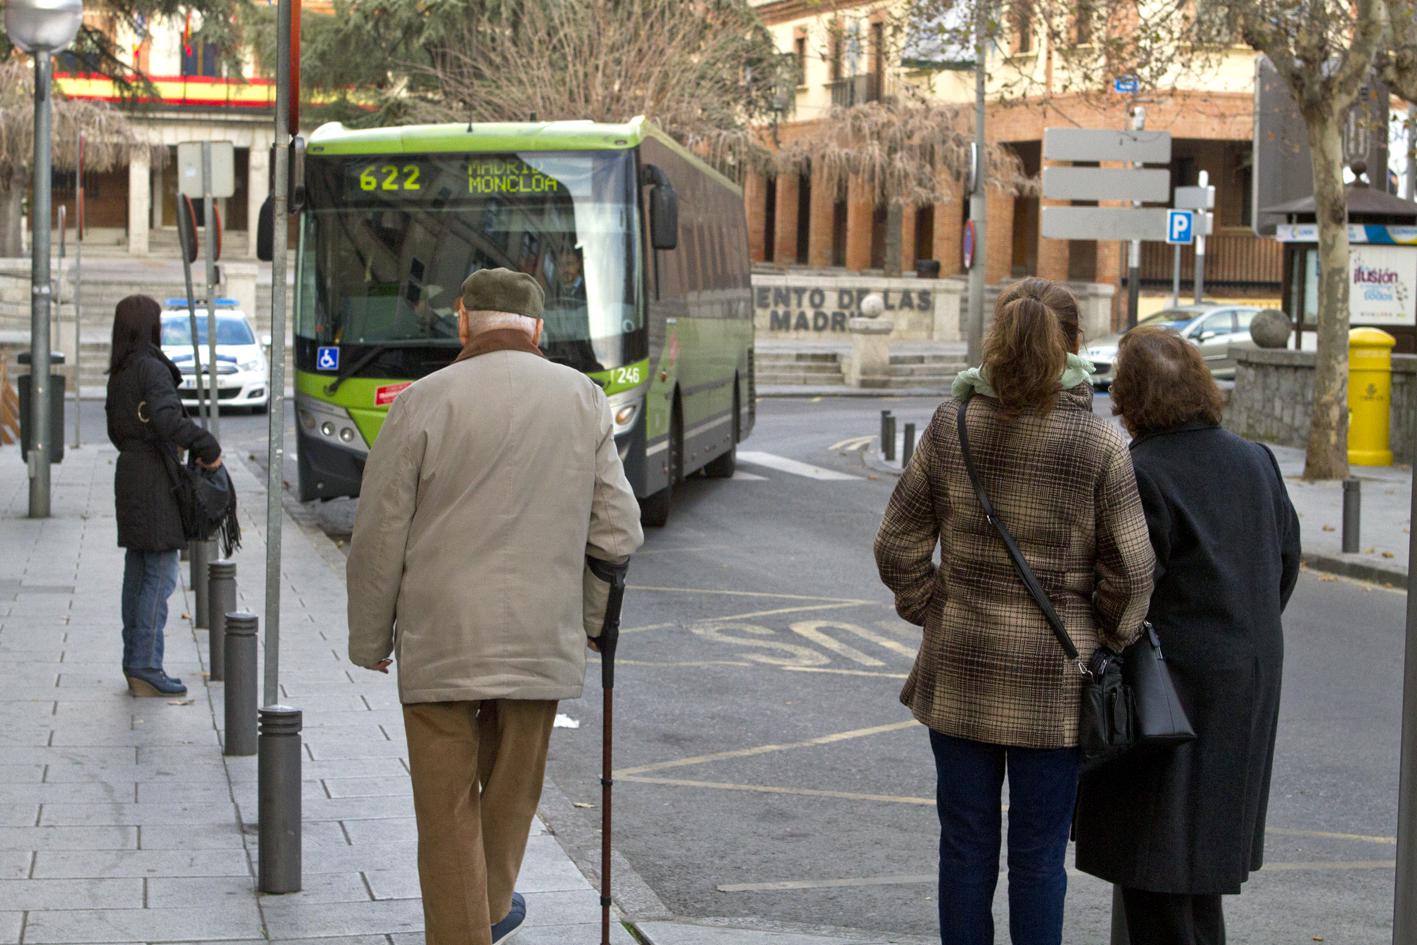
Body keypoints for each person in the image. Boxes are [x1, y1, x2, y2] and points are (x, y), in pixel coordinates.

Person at [346, 268, 643, 945]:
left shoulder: (420, 401)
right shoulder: (582, 398)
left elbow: (378, 533)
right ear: (538, 329)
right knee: (511, 791)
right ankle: (489, 906)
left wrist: (371, 637)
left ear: (460, 320)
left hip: (440, 633)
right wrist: (594, 620)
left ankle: (463, 929)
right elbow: (616, 531)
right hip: (539, 634)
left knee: (444, 810)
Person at [874, 277, 1155, 945]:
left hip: (961, 668)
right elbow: (1132, 572)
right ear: (1072, 350)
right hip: (1056, 683)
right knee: (1037, 856)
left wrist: (931, 606)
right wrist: (1105, 635)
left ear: (993, 342)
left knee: (964, 846)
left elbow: (896, 543)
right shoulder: (1098, 444)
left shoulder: (952, 425)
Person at [1074, 328, 1301, 945]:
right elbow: (1285, 563)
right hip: (1247, 677)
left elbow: (1128, 588)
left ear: (1129, 398)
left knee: (1155, 865)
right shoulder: (1256, 459)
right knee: (1195, 870)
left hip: (1169, 690)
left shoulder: (1141, 471)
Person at [104, 294, 222, 698]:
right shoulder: (151, 368)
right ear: (149, 326)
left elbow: (116, 431)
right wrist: (206, 445)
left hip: (131, 474)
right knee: (160, 574)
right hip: (155, 478)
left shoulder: (120, 371)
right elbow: (169, 419)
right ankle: (146, 665)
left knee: (138, 572)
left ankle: (135, 662)